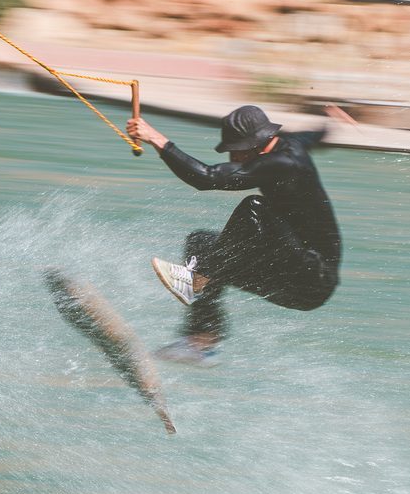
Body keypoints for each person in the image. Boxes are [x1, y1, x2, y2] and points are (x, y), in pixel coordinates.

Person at [127, 105, 341, 366]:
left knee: (254, 208)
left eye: (237, 150)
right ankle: (201, 342)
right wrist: (329, 123)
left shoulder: (283, 162)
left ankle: (197, 280)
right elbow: (312, 136)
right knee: (201, 243)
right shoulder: (288, 145)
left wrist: (158, 140)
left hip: (310, 280)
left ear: (257, 144)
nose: (233, 159)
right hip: (287, 267)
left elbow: (207, 178)